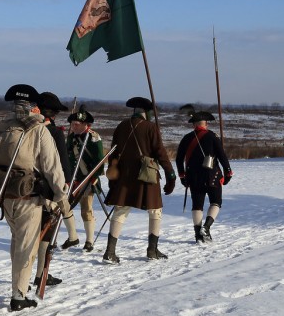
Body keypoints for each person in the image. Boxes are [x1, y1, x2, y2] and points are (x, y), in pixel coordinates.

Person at [0, 84, 70, 311]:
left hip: (4, 196)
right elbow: (52, 168)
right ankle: (19, 295)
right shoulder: (38, 130)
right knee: (26, 247)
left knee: (17, 242)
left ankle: (19, 286)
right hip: (29, 197)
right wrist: (62, 198)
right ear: (33, 106)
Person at [101, 97, 176, 263]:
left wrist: (113, 176)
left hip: (124, 176)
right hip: (146, 175)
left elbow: (113, 154)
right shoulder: (150, 127)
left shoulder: (121, 126)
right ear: (147, 112)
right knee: (155, 210)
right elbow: (160, 152)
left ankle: (109, 251)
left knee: (120, 210)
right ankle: (152, 250)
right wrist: (170, 174)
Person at [175, 111, 232, 243]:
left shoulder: (186, 138)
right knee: (216, 202)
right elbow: (222, 156)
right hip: (212, 176)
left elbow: (179, 159)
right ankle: (206, 227)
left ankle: (198, 235)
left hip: (193, 177)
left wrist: (182, 175)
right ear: (206, 123)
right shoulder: (213, 136)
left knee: (197, 205)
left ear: (194, 124)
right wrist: (228, 171)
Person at [33, 91, 71, 287]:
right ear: (54, 114)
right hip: (48, 190)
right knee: (46, 233)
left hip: (26, 189)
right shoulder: (54, 133)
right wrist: (65, 187)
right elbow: (62, 167)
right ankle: (40, 275)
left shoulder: (28, 128)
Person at [63, 108, 107, 252]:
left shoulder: (93, 138)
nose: (73, 127)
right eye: (72, 124)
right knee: (65, 208)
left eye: (76, 124)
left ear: (85, 125)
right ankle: (72, 237)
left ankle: (89, 241)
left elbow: (100, 161)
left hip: (87, 178)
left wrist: (93, 177)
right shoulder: (70, 138)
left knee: (86, 210)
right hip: (71, 179)